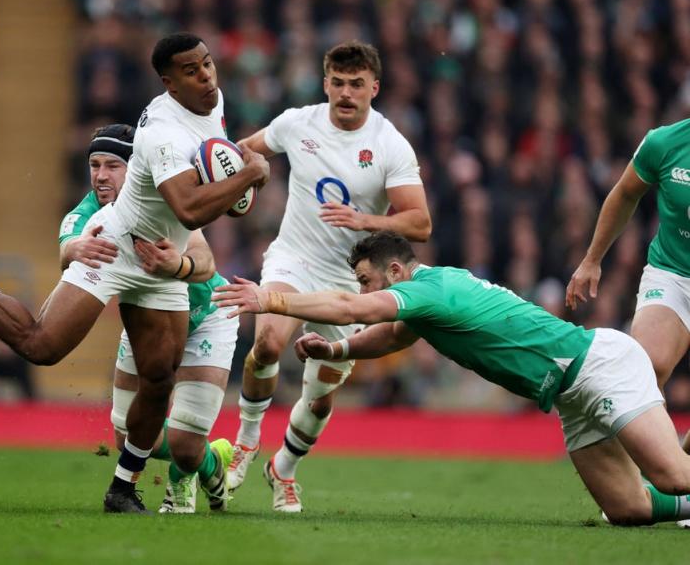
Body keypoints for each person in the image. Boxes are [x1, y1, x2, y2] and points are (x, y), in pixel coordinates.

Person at [0, 32, 270, 514]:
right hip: (116, 246)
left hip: (162, 259)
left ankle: (122, 489)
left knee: (159, 376)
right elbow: (190, 210)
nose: (207, 75)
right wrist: (249, 177)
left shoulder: (209, 105)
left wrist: (236, 176)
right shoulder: (163, 133)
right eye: (192, 70)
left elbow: (207, 190)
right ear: (169, 83)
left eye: (208, 63)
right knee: (43, 347)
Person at [214, 231, 690, 526]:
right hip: (569, 394)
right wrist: (338, 348)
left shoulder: (429, 290)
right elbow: (394, 336)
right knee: (628, 510)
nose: (361, 290)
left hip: (597, 367)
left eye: (365, 279)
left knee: (670, 478)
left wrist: (270, 300)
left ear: (395, 270)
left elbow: (348, 308)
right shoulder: (434, 290)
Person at [226, 40, 431, 512]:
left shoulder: (388, 144)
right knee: (268, 343)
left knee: (320, 396)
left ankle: (284, 470)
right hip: (293, 258)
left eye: (356, 84)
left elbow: (420, 222)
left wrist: (369, 221)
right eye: (337, 83)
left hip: (349, 281)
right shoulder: (297, 123)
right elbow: (245, 153)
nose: (346, 92)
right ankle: (246, 438)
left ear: (373, 88)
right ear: (325, 84)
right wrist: (244, 176)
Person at [58, 123, 239, 513]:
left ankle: (188, 470)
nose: (101, 176)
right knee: (128, 438)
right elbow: (66, 249)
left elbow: (206, 263)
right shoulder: (86, 211)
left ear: (136, 167)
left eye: (113, 166)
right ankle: (213, 460)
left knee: (185, 445)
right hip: (149, 324)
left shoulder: (164, 196)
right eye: (95, 165)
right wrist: (76, 249)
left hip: (207, 315)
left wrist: (179, 264)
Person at [566, 118, 690, 452]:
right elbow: (624, 193)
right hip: (673, 274)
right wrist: (592, 259)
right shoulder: (664, 143)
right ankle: (642, 481)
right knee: (646, 366)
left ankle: (677, 474)